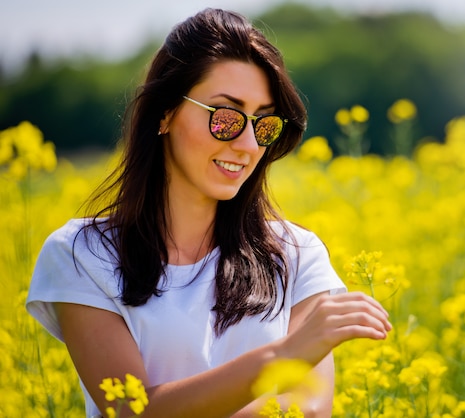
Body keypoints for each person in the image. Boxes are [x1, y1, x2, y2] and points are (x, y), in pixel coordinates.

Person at [26, 8, 391, 418]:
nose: (248, 145)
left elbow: (307, 409)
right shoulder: (82, 255)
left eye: (264, 125)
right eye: (226, 117)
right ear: (165, 113)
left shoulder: (297, 256)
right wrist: (284, 356)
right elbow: (132, 412)